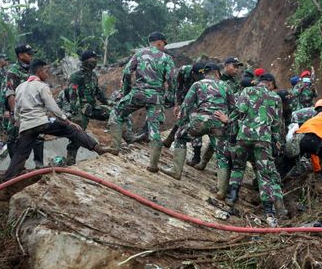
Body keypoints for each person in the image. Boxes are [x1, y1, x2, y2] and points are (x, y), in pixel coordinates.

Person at [3, 60, 115, 181]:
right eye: (46, 71)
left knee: (20, 153)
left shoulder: (20, 87)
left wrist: (19, 123)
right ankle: (98, 148)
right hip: (42, 122)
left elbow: (17, 110)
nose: (48, 74)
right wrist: (67, 120)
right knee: (73, 130)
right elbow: (52, 107)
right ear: (39, 72)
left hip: (26, 126)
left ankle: (8, 179)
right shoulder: (41, 86)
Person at [162, 63, 234, 201]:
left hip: (200, 121)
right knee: (222, 155)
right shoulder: (226, 86)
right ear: (218, 74)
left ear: (205, 73)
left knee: (180, 137)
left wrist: (182, 122)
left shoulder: (197, 85)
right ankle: (222, 191)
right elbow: (234, 108)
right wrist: (228, 121)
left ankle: (176, 171)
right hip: (219, 122)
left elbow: (186, 105)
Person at [109, 32, 175, 172]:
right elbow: (171, 79)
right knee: (154, 129)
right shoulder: (167, 58)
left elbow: (127, 72)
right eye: (164, 44)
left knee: (116, 112)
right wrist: (169, 97)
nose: (164, 47)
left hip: (138, 93)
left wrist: (127, 92)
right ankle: (153, 165)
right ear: (159, 43)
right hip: (156, 97)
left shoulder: (139, 54)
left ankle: (114, 147)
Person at [225, 73, 284, 227]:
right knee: (263, 174)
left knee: (238, 166)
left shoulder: (247, 91)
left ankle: (231, 197)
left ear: (259, 82)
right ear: (270, 84)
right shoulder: (276, 98)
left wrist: (228, 121)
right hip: (263, 139)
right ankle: (268, 211)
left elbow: (240, 110)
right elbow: (277, 124)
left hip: (243, 135)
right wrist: (277, 142)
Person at [65, 50, 112, 165]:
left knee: (114, 114)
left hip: (92, 107)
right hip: (81, 109)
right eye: (93, 59)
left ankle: (121, 143)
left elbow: (98, 92)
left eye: (96, 58)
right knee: (77, 135)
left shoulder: (93, 75)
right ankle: (70, 162)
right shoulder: (76, 76)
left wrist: (108, 102)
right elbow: (73, 95)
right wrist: (76, 114)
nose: (95, 61)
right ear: (85, 61)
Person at [4, 44, 44, 168]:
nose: (32, 56)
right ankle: (17, 167)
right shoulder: (13, 72)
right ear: (20, 55)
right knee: (13, 137)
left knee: (39, 136)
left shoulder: (34, 71)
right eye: (29, 54)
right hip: (19, 111)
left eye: (32, 54)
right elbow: (10, 94)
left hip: (34, 110)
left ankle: (39, 165)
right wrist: (16, 115)